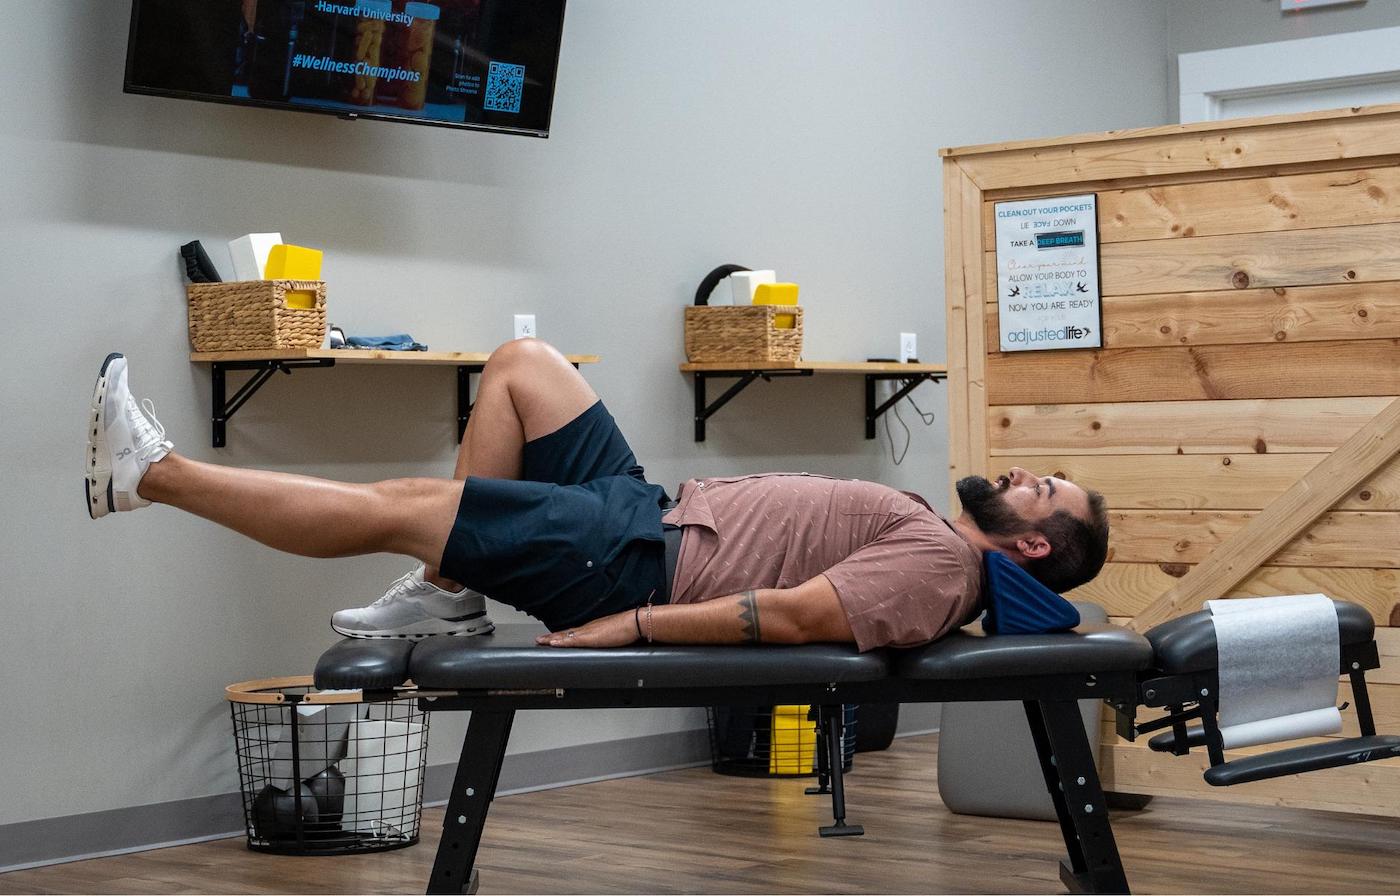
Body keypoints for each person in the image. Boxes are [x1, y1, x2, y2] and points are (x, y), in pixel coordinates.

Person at [85, 339, 1108, 651]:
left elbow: (789, 614)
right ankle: (445, 590)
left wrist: (622, 628)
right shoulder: (941, 544)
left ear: (1026, 548)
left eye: (1042, 490)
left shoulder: (941, 565)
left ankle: (151, 476)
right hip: (648, 508)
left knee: (397, 499)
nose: (1025, 472)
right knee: (524, 365)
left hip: (632, 559)